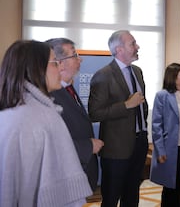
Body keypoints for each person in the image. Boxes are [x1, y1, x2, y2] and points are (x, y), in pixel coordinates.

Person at [0, 40, 92, 206]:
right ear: (37, 67)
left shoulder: (13, 109)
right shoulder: (42, 116)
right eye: (55, 63)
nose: (60, 68)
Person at [88, 30, 149, 207]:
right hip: (116, 150)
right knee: (111, 198)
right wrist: (126, 105)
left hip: (139, 144)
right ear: (119, 49)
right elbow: (94, 113)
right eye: (133, 44)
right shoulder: (103, 75)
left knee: (132, 197)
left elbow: (142, 106)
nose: (137, 47)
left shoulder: (137, 72)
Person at [47, 37, 104, 191]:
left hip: (79, 171)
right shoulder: (49, 95)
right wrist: (87, 146)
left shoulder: (68, 88)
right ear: (60, 62)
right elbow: (51, 144)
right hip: (65, 178)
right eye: (74, 55)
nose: (81, 59)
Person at [150, 63, 180, 207]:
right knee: (170, 185)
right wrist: (160, 150)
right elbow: (156, 126)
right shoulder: (162, 96)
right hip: (171, 147)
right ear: (173, 77)